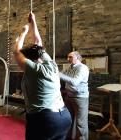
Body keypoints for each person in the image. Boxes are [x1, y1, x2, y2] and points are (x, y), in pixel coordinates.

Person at [13, 11, 71, 140]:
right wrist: (33, 22)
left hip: (45, 120)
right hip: (64, 117)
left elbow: (17, 52)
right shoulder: (51, 64)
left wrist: (23, 32)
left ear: (29, 60)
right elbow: (38, 43)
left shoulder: (34, 69)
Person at [59, 51, 89, 140]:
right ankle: (69, 137)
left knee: (81, 123)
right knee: (68, 119)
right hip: (69, 97)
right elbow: (62, 74)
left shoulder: (82, 68)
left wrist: (59, 74)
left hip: (80, 98)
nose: (68, 59)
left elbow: (75, 82)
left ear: (78, 58)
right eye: (68, 57)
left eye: (70, 57)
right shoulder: (70, 67)